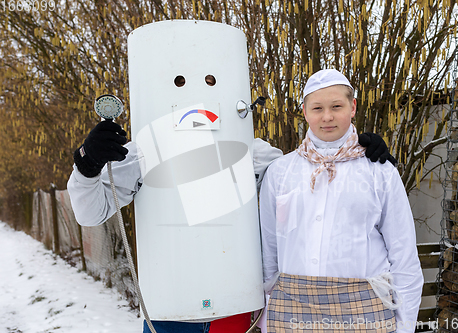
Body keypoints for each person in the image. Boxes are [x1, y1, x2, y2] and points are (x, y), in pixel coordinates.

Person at [67, 99, 394, 332]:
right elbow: (91, 211)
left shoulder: (256, 154)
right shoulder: (144, 153)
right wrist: (87, 164)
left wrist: (361, 163)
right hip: (169, 314)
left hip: (239, 312)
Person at [258, 69, 424, 333]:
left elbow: (404, 256)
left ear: (353, 106)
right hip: (292, 312)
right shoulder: (280, 171)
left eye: (337, 106)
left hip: (364, 311)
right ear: (304, 111)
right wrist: (268, 311)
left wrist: (405, 326)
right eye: (317, 108)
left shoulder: (379, 171)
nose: (327, 117)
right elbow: (269, 249)